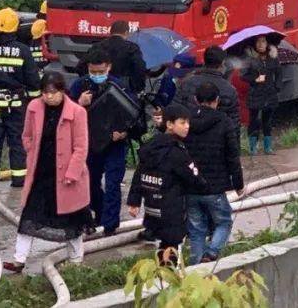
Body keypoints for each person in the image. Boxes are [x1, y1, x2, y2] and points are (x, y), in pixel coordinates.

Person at [2, 72, 89, 273]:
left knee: (71, 219)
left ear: (62, 91)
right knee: (29, 216)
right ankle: (18, 259)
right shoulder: (34, 107)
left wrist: (72, 173)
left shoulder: (77, 112)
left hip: (66, 176)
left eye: (53, 92)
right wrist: (31, 150)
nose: (49, 97)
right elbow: (26, 135)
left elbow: (81, 147)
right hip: (40, 172)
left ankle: (76, 259)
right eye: (45, 92)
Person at [69, 47, 143, 237]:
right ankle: (100, 213)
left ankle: (110, 225)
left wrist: (124, 132)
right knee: (89, 183)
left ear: (109, 67)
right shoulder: (79, 86)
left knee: (112, 184)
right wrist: (79, 103)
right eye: (93, 72)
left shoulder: (120, 87)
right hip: (89, 143)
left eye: (101, 72)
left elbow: (135, 115)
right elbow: (65, 114)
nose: (97, 75)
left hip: (115, 144)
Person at [127, 103, 207, 265]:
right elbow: (193, 177)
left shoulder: (151, 147)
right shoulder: (177, 152)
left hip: (152, 206)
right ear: (169, 124)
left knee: (163, 244)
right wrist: (204, 186)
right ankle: (168, 274)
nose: (187, 126)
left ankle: (162, 271)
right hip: (172, 208)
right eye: (182, 122)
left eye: (188, 122)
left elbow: (139, 173)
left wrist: (134, 201)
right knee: (172, 245)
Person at [184, 83, 244, 265]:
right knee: (223, 222)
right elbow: (233, 156)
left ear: (196, 100)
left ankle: (196, 266)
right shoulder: (224, 121)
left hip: (190, 185)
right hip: (215, 186)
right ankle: (211, 253)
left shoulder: (185, 122)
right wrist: (238, 184)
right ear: (217, 100)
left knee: (196, 229)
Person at [0, 8, 40, 188]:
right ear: (15, 28)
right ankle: (19, 178)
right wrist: (35, 100)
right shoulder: (23, 50)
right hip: (16, 104)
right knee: (17, 140)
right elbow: (32, 79)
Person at [176, 47, 240, 129]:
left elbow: (176, 108)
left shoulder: (187, 82)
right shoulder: (229, 90)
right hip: (217, 133)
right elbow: (233, 121)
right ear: (222, 63)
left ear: (204, 60)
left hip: (188, 131)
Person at [242, 36, 281, 155]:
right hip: (255, 93)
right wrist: (255, 79)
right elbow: (243, 75)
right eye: (258, 42)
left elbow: (279, 73)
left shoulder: (273, 57)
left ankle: (267, 148)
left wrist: (277, 87)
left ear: (267, 43)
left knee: (267, 121)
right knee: (253, 121)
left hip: (270, 94)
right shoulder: (250, 58)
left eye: (263, 41)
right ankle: (253, 148)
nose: (260, 44)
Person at [92, 21, 147, 96]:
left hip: (100, 89)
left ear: (110, 32)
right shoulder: (132, 48)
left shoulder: (97, 46)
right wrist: (138, 88)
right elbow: (140, 67)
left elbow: (81, 66)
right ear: (126, 33)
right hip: (123, 91)